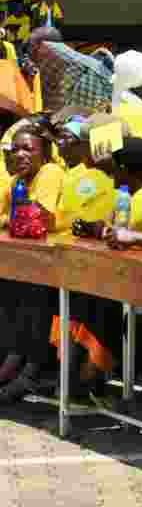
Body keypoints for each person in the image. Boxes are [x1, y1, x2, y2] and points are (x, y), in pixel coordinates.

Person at [0, 123, 64, 403]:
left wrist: (9, 220)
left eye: (28, 148)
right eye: (15, 149)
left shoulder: (50, 173)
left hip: (58, 260)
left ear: (45, 154)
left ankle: (31, 371)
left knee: (34, 300)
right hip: (30, 258)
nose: (20, 155)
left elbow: (38, 218)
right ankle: (13, 362)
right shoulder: (17, 181)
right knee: (13, 295)